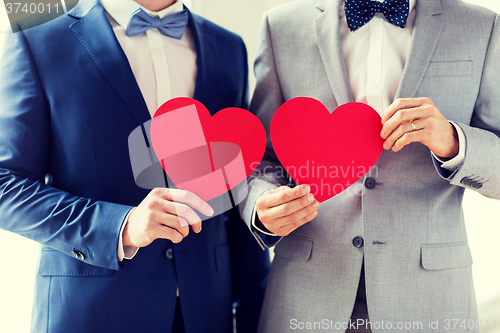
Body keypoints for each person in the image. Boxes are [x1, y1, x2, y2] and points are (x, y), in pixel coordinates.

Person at [0, 0, 269, 332]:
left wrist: (255, 316)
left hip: (207, 313)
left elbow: (234, 187)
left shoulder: (229, 47)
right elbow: (6, 183)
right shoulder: (37, 33)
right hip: (92, 313)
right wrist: (121, 226)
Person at [240, 0, 500, 332]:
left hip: (429, 297)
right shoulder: (281, 26)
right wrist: (261, 207)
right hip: (307, 292)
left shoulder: (482, 26)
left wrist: (453, 141)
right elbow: (260, 158)